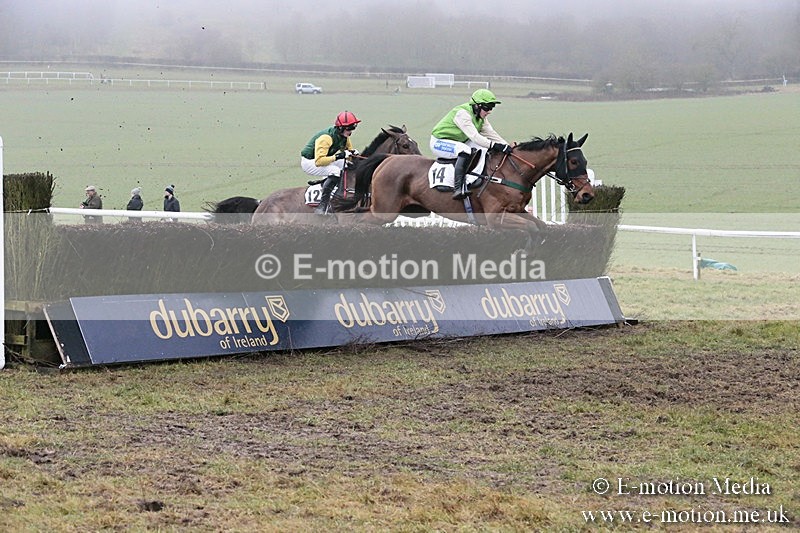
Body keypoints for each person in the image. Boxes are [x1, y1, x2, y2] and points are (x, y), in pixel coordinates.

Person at [430, 89, 512, 200]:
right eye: (487, 107)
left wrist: (507, 146)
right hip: (439, 142)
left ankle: (472, 179)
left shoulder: (481, 118)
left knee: (482, 148)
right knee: (464, 150)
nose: (489, 111)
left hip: (457, 141)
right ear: (477, 106)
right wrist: (495, 146)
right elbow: (475, 137)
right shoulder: (462, 114)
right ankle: (458, 188)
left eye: (492, 107)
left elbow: (492, 135)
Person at [300, 111, 361, 215]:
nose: (351, 131)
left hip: (323, 160)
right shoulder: (326, 138)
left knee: (346, 164)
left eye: (353, 127)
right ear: (341, 128)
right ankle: (322, 205)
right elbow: (319, 161)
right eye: (349, 128)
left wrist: (353, 154)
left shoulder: (344, 138)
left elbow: (348, 156)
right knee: (335, 171)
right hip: (310, 162)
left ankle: (342, 189)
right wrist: (338, 156)